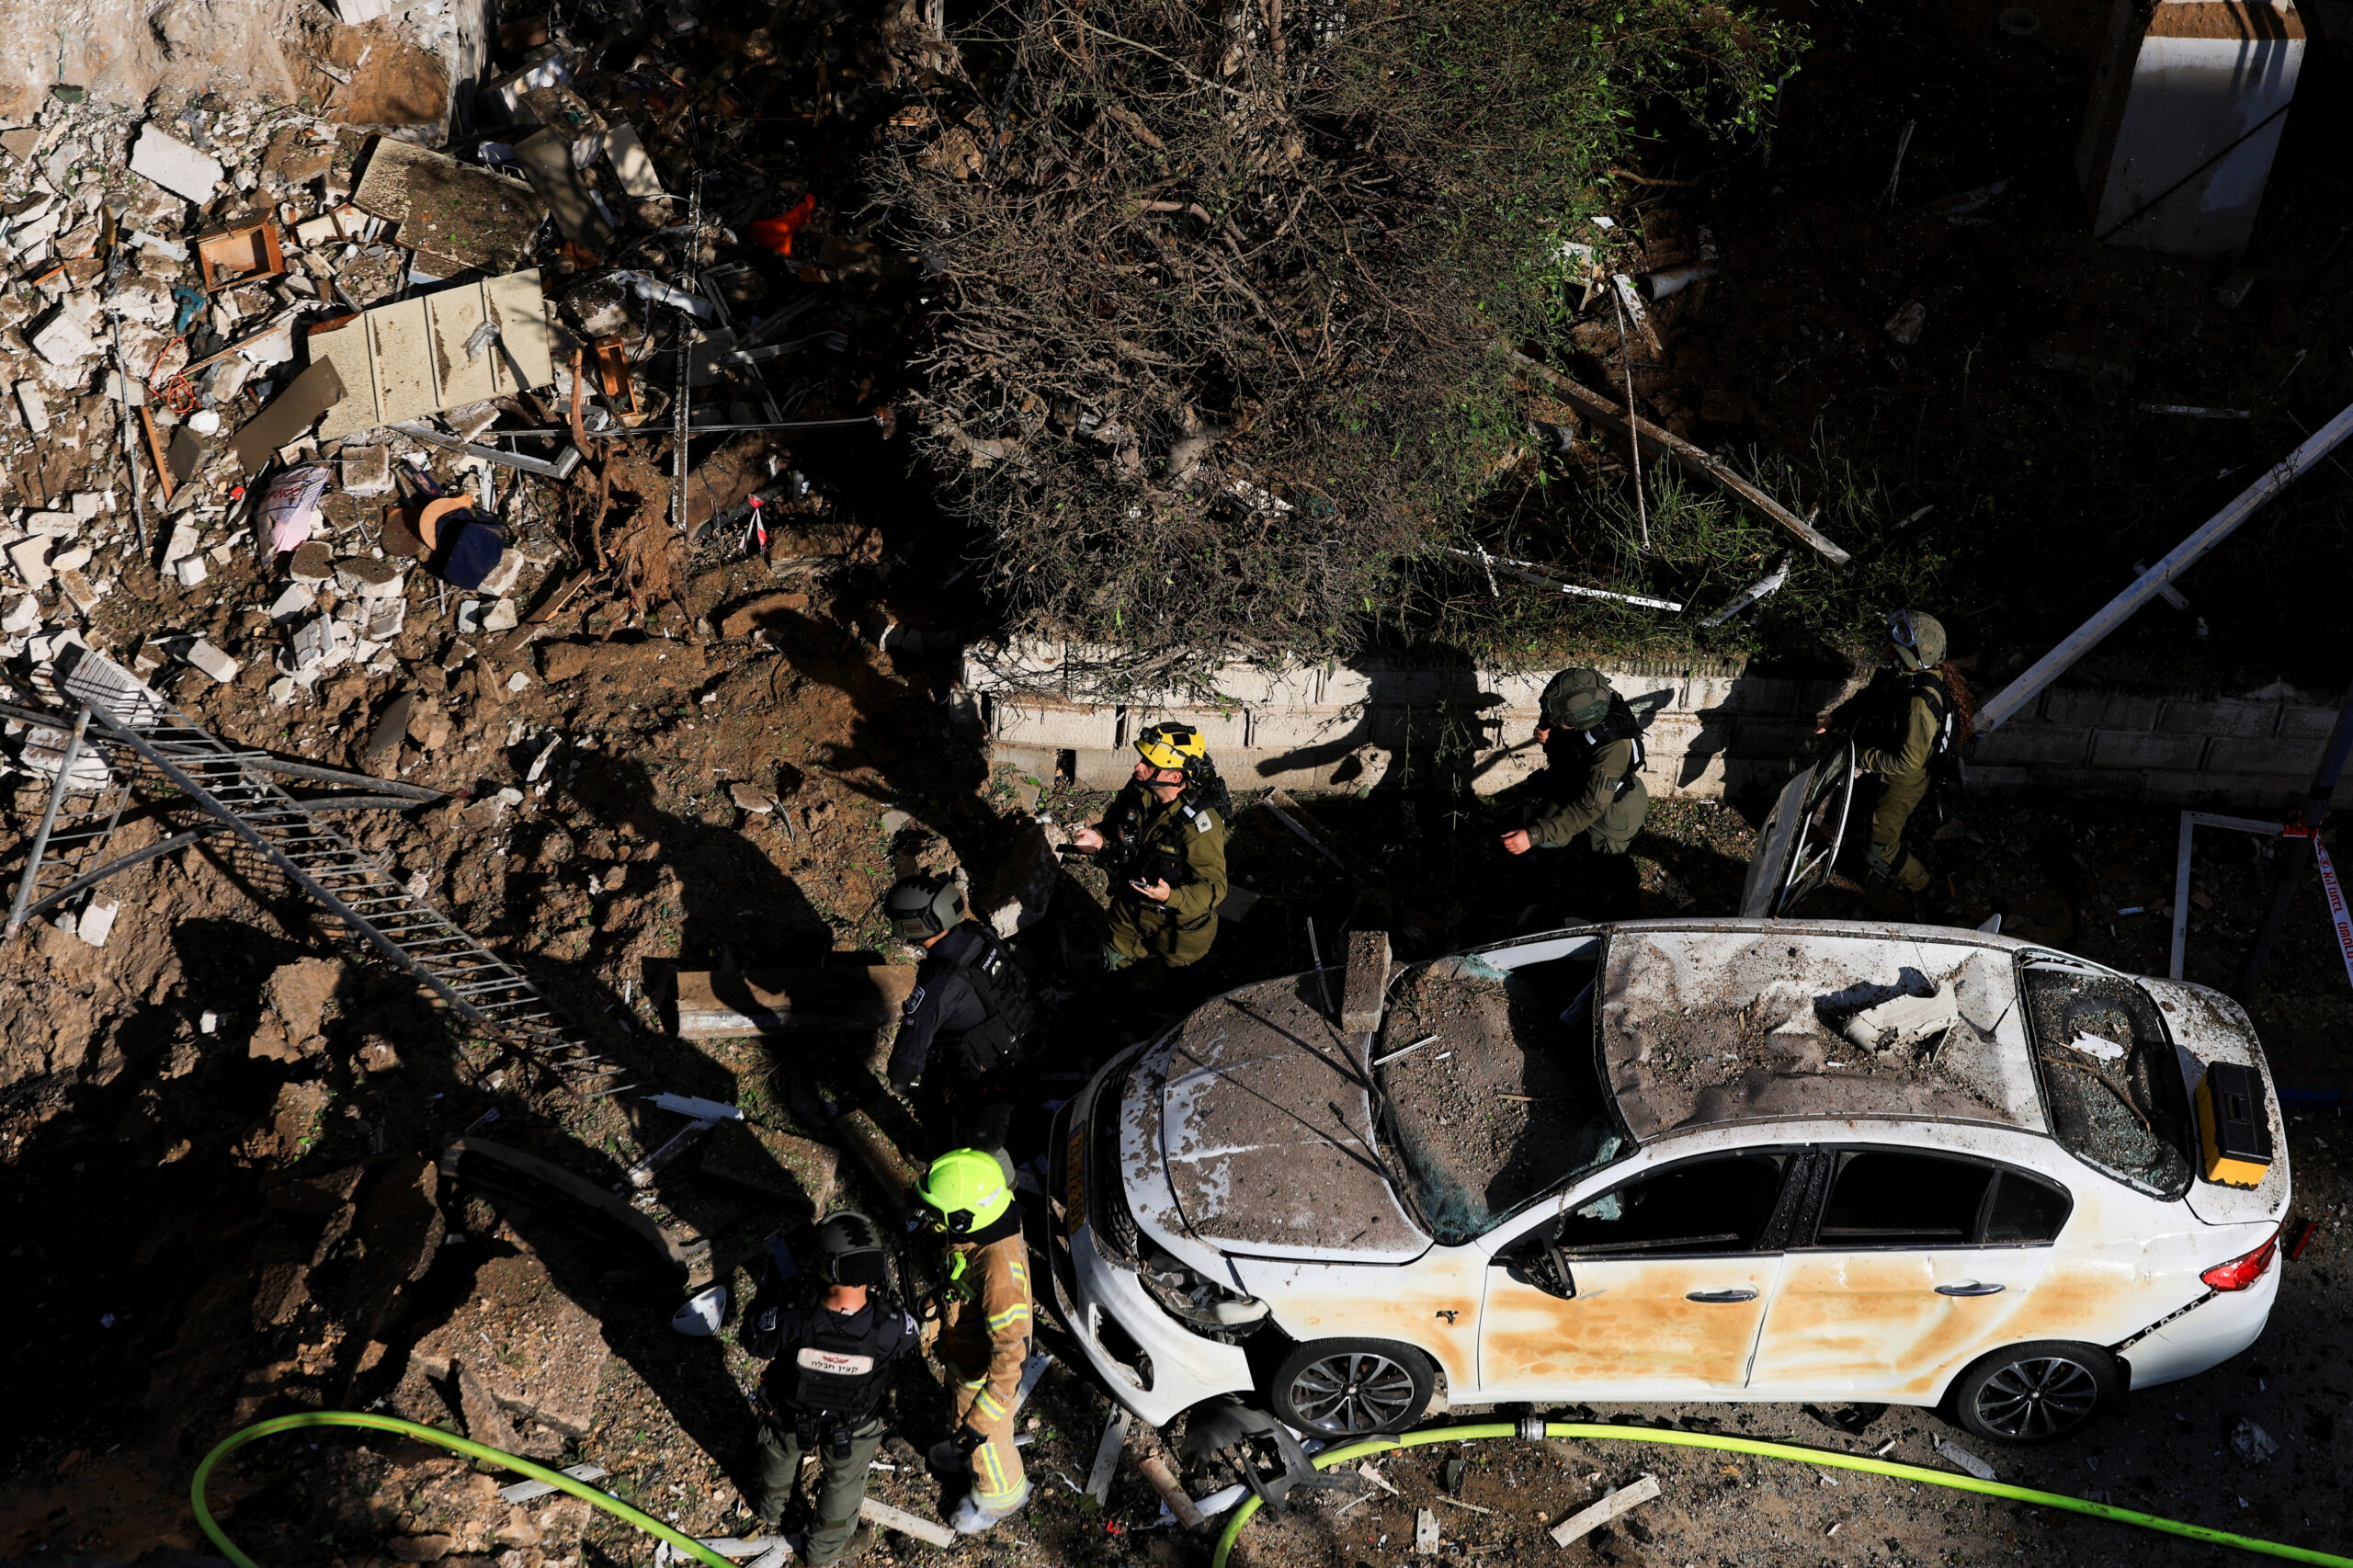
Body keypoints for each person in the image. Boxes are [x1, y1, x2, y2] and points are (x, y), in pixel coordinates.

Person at [738, 1212, 918, 1564]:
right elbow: (909, 1342)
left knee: (778, 1458)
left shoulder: (793, 1315)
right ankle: (822, 1554)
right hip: (855, 1423)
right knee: (844, 1485)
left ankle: (771, 1510)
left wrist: (768, 1294)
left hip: (791, 1413)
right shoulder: (893, 1325)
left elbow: (755, 1340)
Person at [916, 1148, 1034, 1535]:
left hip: (984, 1380)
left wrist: (980, 1425)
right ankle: (964, 1450)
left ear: (964, 1218)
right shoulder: (985, 1224)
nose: (934, 1220)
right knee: (959, 1415)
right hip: (963, 1354)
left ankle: (999, 1498)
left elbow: (1010, 1359)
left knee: (990, 1448)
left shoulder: (1001, 1276)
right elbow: (960, 1280)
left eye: (939, 1214)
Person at [1820, 608, 1969, 909]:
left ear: (1910, 656)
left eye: (1894, 646)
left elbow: (1907, 763)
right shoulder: (1906, 676)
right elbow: (1873, 697)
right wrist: (1839, 718)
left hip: (1905, 780)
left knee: (1879, 849)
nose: (1886, 648)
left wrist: (1856, 756)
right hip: (1891, 760)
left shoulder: (1919, 703)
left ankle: (1929, 892)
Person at [881, 874, 1039, 1153]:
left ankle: (941, 1154)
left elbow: (910, 1050)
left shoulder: (940, 984)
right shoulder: (979, 933)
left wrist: (901, 1081)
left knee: (944, 1116)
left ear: (914, 925)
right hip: (1022, 1039)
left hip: (986, 1074)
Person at [1069, 722, 1229, 971]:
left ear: (1175, 776)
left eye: (1149, 764)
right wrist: (1099, 836)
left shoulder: (1200, 826)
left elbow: (1214, 888)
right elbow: (1117, 821)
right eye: (1142, 758)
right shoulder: (1139, 789)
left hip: (1176, 927)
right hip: (1130, 906)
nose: (1138, 766)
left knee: (1170, 991)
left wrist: (1169, 896)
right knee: (1112, 965)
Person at [1498, 667, 1650, 920]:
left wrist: (1533, 835)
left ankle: (1624, 921)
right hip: (1576, 784)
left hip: (1613, 810)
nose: (1559, 724)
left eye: (1563, 723)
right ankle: (1538, 891)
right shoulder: (1593, 700)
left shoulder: (1613, 747)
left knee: (1611, 872)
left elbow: (1589, 808)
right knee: (1543, 841)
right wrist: (1548, 731)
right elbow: (1568, 726)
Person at [384, 466, 507, 590]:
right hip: (449, 521)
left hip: (448, 523)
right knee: (434, 496)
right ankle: (407, 469)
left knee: (434, 498)